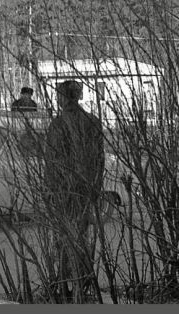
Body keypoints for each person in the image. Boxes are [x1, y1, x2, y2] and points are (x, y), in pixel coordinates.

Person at [44, 80, 105, 298]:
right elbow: (100, 160)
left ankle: (67, 286)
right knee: (82, 238)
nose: (57, 99)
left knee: (64, 239)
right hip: (85, 190)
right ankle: (83, 283)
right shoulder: (94, 122)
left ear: (65, 97)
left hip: (64, 191)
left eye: (58, 95)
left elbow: (52, 162)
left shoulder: (58, 125)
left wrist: (50, 190)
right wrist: (95, 189)